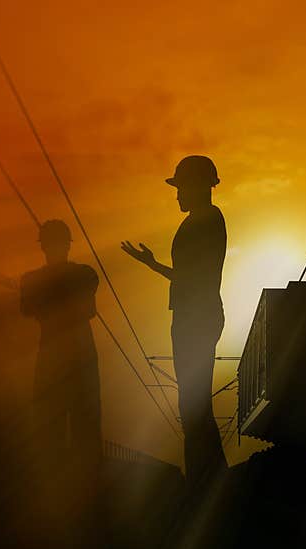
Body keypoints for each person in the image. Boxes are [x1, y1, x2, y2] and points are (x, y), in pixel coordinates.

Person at [121, 155, 228, 491]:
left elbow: (194, 277)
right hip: (193, 314)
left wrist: (152, 266)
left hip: (196, 317)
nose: (177, 195)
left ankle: (205, 481)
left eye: (181, 187)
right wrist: (152, 264)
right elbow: (190, 277)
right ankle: (208, 479)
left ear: (198, 186)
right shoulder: (203, 220)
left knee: (193, 405)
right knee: (193, 404)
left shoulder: (206, 220)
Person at [21, 219, 102, 478]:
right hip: (81, 355)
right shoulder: (85, 275)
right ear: (68, 245)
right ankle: (89, 485)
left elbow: (27, 309)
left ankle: (58, 485)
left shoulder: (32, 280)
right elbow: (88, 309)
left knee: (51, 426)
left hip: (52, 357)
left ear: (43, 246)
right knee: (85, 426)